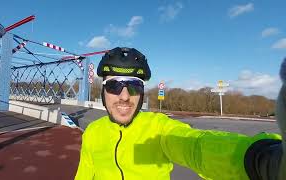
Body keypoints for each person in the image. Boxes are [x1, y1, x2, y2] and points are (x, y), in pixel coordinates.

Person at [75, 47, 285, 180]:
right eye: (113, 86)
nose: (124, 96)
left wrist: (261, 159)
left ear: (141, 93)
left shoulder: (158, 128)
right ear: (102, 90)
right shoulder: (93, 132)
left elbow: (196, 146)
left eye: (133, 86)